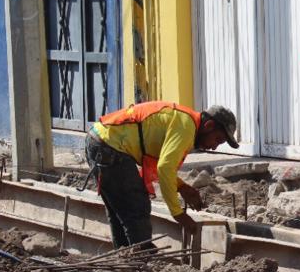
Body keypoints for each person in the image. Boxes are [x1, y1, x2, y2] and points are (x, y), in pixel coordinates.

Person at [85, 101, 238, 248]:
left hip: (100, 140)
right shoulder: (186, 128)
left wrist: (181, 187)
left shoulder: (184, 121)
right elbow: (165, 168)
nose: (214, 147)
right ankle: (141, 261)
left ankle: (126, 262)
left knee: (121, 211)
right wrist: (178, 214)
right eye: (217, 139)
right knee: (137, 207)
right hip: (109, 146)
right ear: (209, 126)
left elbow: (161, 166)